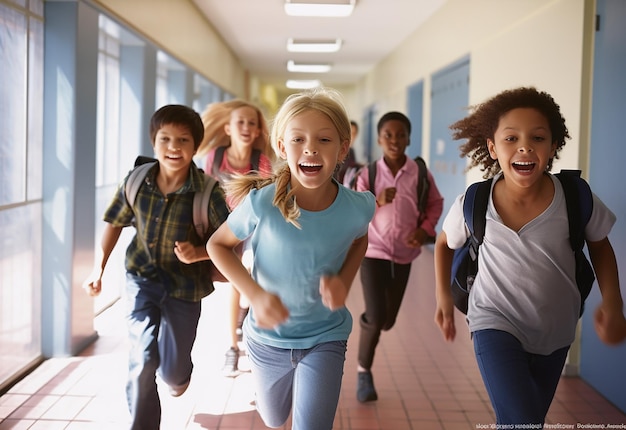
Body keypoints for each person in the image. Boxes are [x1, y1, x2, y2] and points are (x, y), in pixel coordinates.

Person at [433, 87, 626, 426]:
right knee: (520, 419)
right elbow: (443, 244)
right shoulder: (474, 201)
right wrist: (443, 298)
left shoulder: (575, 197)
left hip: (556, 328)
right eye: (511, 138)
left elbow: (600, 246)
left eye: (538, 137)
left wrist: (613, 303)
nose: (524, 146)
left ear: (553, 147)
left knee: (528, 419)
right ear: (492, 148)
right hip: (493, 319)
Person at [206, 87, 376, 429]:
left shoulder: (358, 207)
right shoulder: (262, 204)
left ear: (343, 148)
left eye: (324, 140)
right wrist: (254, 295)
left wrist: (344, 280)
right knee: (272, 417)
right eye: (298, 139)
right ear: (282, 147)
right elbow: (217, 245)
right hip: (267, 340)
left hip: (326, 336)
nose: (310, 148)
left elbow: (361, 239)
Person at [82, 105, 230, 430]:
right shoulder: (137, 181)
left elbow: (229, 240)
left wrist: (200, 252)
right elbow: (114, 222)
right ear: (154, 141)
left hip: (185, 288)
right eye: (165, 139)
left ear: (195, 147)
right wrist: (98, 268)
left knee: (174, 374)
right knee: (143, 359)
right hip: (142, 279)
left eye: (183, 140)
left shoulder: (207, 191)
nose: (173, 147)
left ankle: (177, 375)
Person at [354, 111, 444, 402]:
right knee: (377, 314)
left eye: (400, 135)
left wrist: (424, 229)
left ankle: (371, 320)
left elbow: (435, 203)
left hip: (404, 254)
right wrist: (376, 201)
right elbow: (355, 209)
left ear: (409, 138)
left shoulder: (419, 173)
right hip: (372, 251)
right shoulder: (368, 174)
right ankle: (363, 372)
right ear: (379, 139)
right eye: (388, 135)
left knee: (387, 320)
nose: (394, 140)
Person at [197, 99, 273, 377]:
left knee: (243, 284)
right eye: (240, 122)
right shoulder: (215, 157)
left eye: (252, 123)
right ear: (228, 128)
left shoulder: (260, 161)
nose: (246, 127)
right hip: (223, 231)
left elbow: (265, 200)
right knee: (235, 287)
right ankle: (232, 347)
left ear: (257, 132)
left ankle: (244, 323)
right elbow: (204, 193)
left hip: (251, 230)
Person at [334, 119, 360, 184]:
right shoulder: (338, 150)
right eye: (350, 133)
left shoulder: (351, 151)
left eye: (354, 133)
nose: (351, 137)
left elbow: (351, 166)